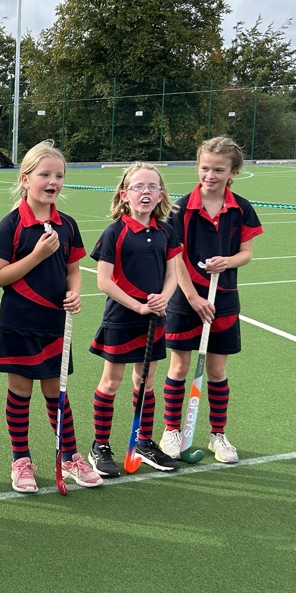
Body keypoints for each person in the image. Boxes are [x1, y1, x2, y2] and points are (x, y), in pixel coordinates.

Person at [0, 139, 103, 492]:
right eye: (44, 174)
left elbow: (73, 270)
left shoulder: (67, 225)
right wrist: (36, 255)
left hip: (55, 323)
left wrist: (75, 293)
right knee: (21, 391)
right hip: (19, 322)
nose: (52, 182)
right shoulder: (11, 225)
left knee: (57, 393)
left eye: (59, 175)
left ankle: (70, 457)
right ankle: (20, 460)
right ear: (25, 178)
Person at [158, 136, 264, 463]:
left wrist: (228, 261)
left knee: (217, 369)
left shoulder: (241, 208)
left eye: (219, 169)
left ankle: (218, 435)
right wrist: (191, 296)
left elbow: (246, 253)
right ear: (197, 167)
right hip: (184, 299)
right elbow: (174, 257)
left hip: (224, 299)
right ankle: (171, 431)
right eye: (205, 168)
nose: (210, 175)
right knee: (180, 365)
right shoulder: (180, 207)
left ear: (233, 172)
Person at [87, 163, 181, 477]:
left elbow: (174, 274)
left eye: (152, 187)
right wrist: (139, 306)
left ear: (161, 195)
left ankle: (143, 442)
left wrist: (164, 298)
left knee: (145, 382)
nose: (145, 192)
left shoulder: (167, 231)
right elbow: (104, 281)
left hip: (154, 318)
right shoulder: (115, 232)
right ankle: (99, 445)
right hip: (122, 319)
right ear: (125, 194)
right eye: (138, 186)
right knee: (111, 382)